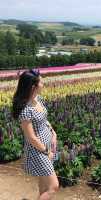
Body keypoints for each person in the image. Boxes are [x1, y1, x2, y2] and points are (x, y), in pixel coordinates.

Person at [12, 69, 59, 200]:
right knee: (53, 186)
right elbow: (31, 138)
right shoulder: (25, 110)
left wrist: (53, 133)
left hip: (48, 145)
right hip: (38, 151)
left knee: (44, 184)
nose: (43, 84)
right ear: (34, 87)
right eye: (41, 82)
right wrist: (46, 151)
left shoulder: (38, 99)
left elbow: (45, 119)